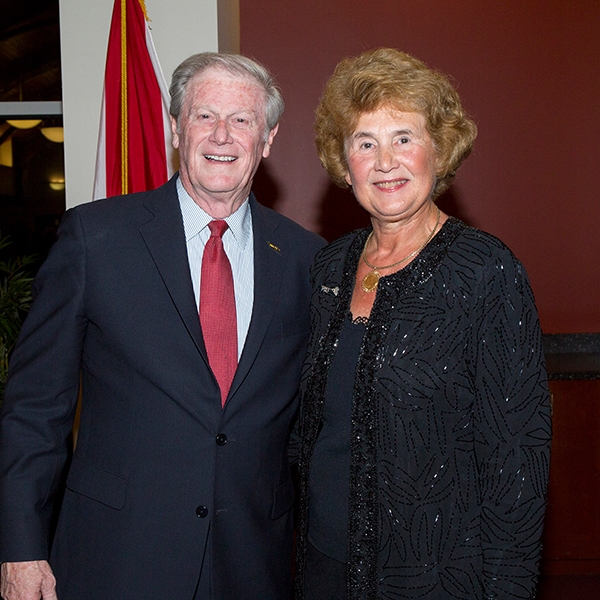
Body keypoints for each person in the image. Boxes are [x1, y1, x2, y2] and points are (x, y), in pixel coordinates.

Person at [0, 52, 325, 600]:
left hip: (252, 563)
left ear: (267, 139)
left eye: (242, 120)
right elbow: (35, 406)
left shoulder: (306, 259)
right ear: (176, 128)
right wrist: (20, 547)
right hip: (118, 557)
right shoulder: (94, 240)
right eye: (204, 115)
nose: (222, 135)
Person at [293, 48, 551, 600]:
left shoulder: (484, 271)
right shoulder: (328, 268)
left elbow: (517, 463)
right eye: (365, 143)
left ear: (440, 149)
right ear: (344, 162)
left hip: (431, 577)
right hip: (320, 566)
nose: (386, 161)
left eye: (404, 138)